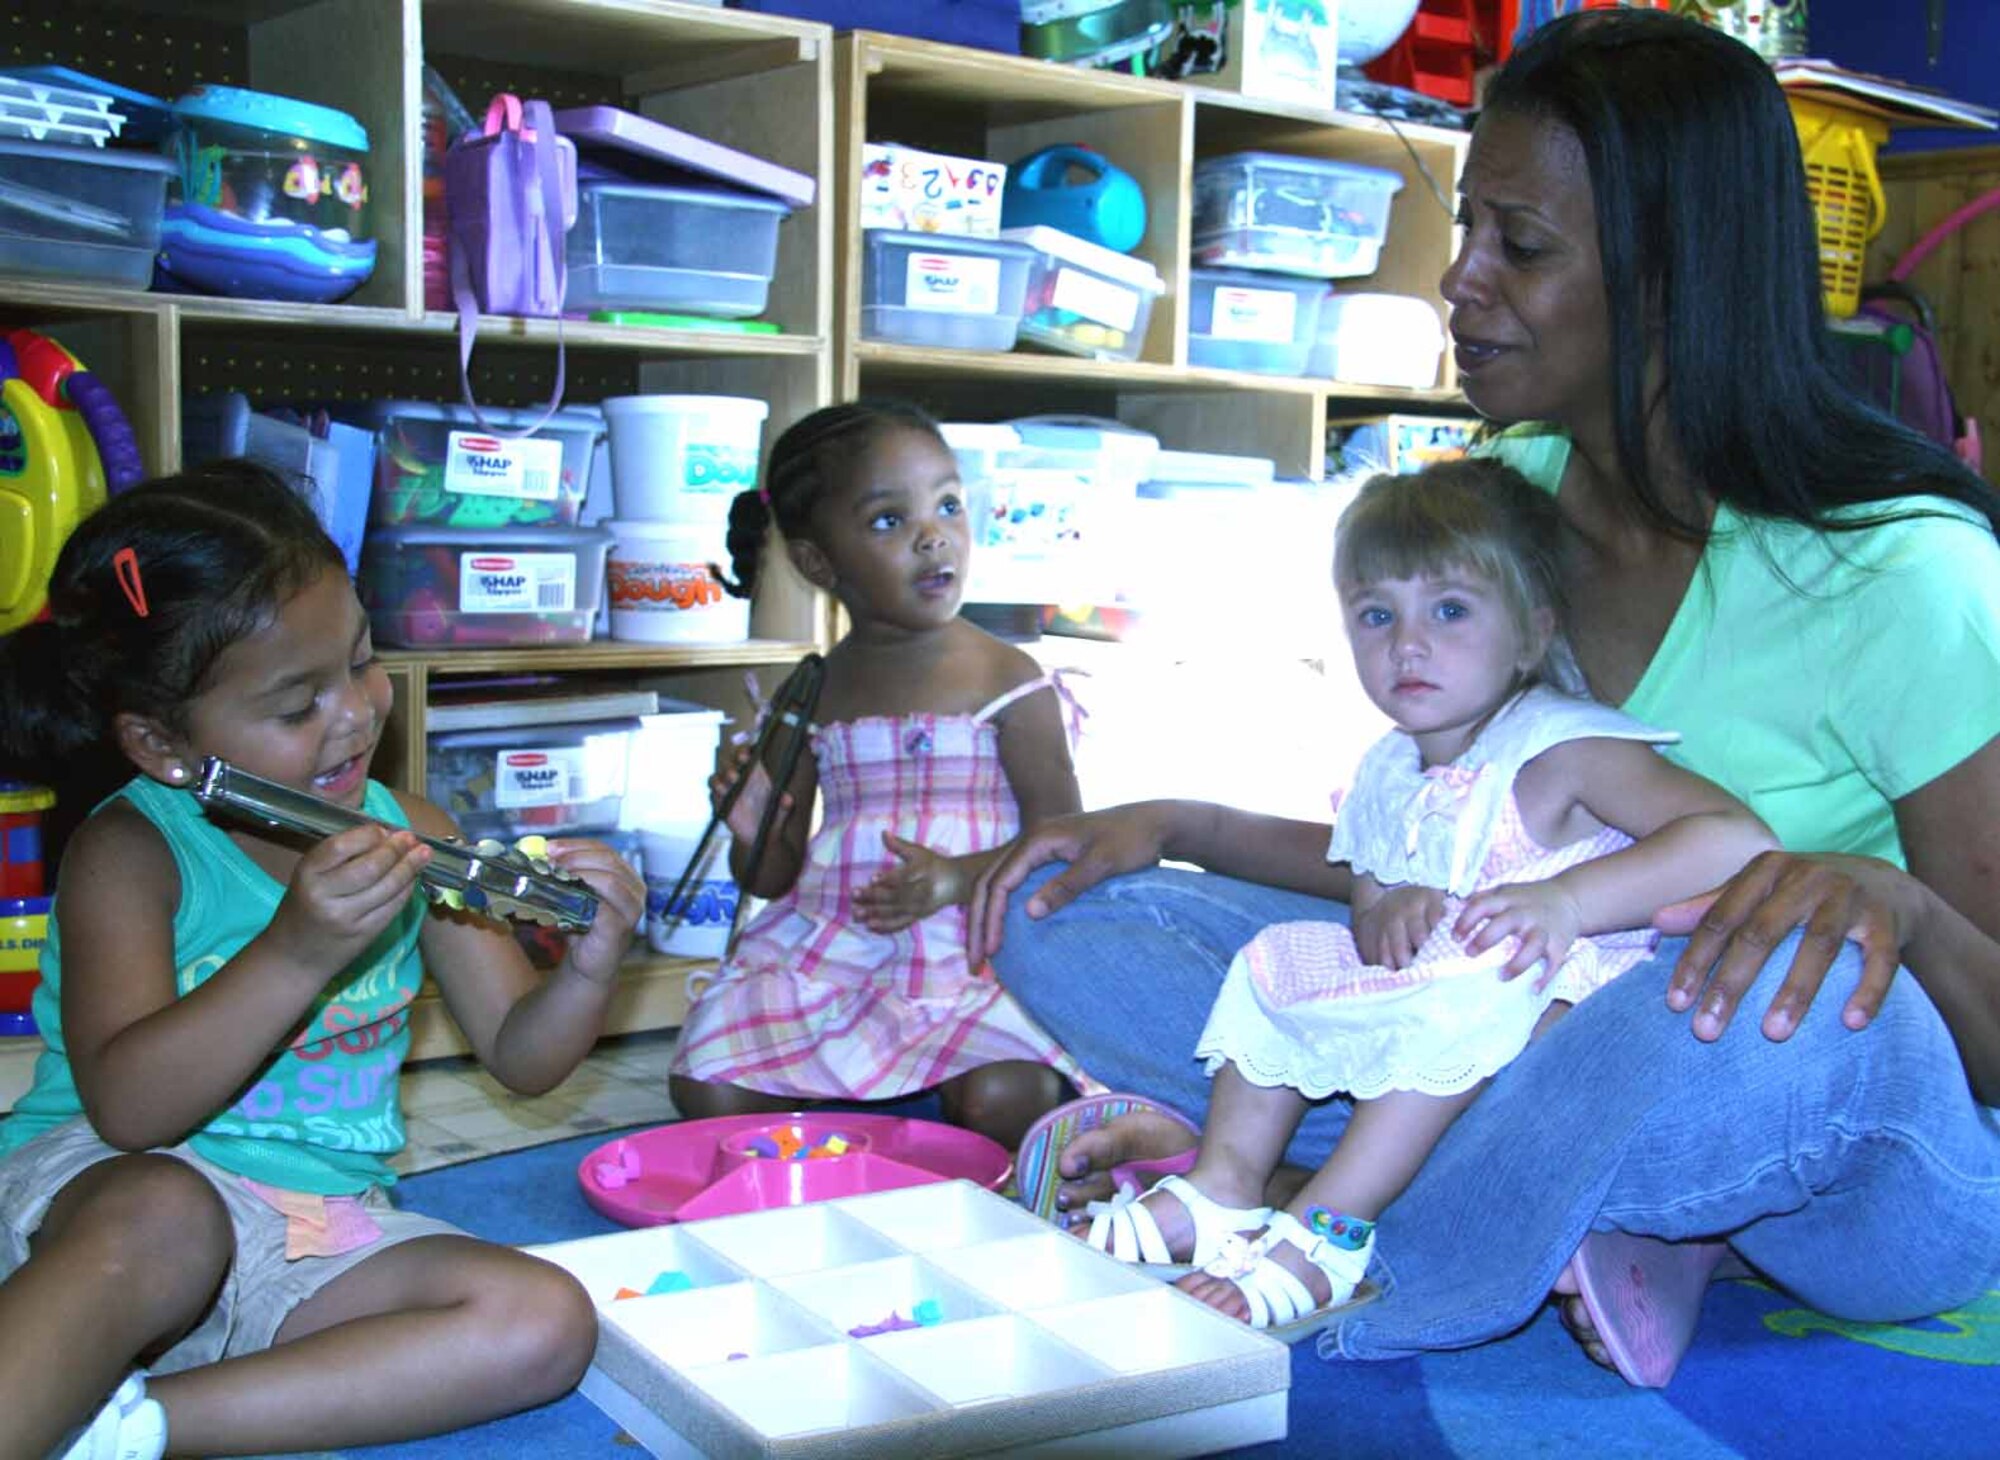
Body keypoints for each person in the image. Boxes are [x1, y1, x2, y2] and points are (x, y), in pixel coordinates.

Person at [970, 7, 2000, 1388]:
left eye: (1519, 244)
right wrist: (1166, 820)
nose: (1459, 280)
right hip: (1529, 1024)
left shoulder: (1903, 575)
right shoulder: (1494, 514)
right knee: (1072, 918)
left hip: (1826, 1136)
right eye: (1469, 230)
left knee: (1763, 1010)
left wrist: (1900, 910)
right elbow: (1430, 869)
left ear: (1670, 274)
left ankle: (1319, 1216)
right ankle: (1487, 1192)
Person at [0, 462, 646, 1460]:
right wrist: (295, 951)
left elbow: (520, 1053)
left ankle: (127, 1428)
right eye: (296, 704)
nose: (354, 711)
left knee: (542, 1317)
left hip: (310, 1227)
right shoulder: (132, 850)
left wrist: (588, 969)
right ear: (165, 744)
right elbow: (129, 1109)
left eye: (361, 657)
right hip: (114, 1198)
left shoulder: (414, 831)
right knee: (168, 1212)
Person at [1081, 462, 1774, 1336]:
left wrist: (1567, 898)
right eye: (1377, 615)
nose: (1408, 643)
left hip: (1571, 1007)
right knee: (1278, 956)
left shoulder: (1564, 749)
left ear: (1530, 632)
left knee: (1469, 981)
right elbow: (1369, 885)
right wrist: (1383, 904)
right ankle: (1227, 1183)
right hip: (1448, 999)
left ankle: (1328, 1227)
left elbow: (1736, 838)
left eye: (1450, 610)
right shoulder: (1388, 765)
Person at [667, 401, 1083, 1150]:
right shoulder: (813, 690)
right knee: (706, 1086)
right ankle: (870, 1110)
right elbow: (771, 876)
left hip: (975, 952)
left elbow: (1066, 840)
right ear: (818, 562)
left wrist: (958, 878)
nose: (934, 535)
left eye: (949, 505)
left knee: (1001, 1103)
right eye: (890, 521)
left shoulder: (1010, 678)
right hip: (837, 953)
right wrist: (754, 823)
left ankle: (910, 1099)